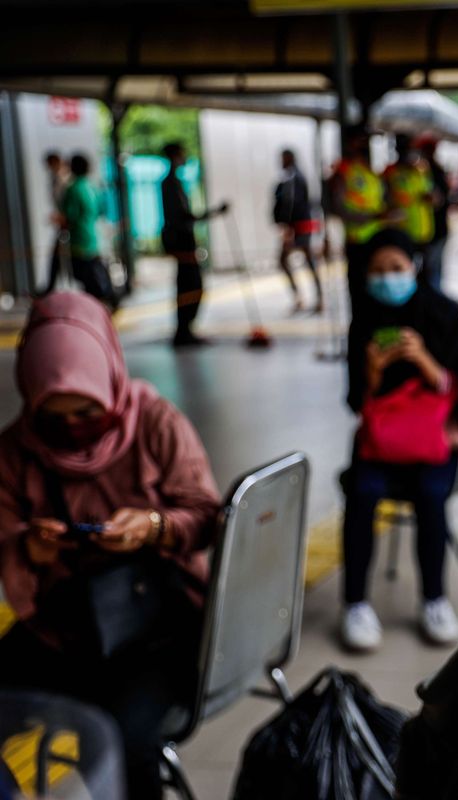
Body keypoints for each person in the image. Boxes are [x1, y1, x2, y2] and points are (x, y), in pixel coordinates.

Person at [0, 293, 222, 799]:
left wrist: (154, 527)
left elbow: (208, 517)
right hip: (64, 624)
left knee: (122, 737)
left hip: (163, 625)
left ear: (111, 382)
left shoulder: (154, 423)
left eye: (86, 411)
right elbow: (6, 542)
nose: (74, 430)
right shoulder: (15, 453)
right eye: (55, 420)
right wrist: (31, 550)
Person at [341, 229, 458, 650]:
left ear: (414, 267)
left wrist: (422, 358)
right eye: (377, 271)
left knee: (430, 493)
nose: (388, 278)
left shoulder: (445, 314)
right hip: (381, 442)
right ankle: (355, 603)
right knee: (361, 491)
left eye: (396, 268)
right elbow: (354, 402)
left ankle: (434, 599)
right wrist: (374, 371)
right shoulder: (362, 322)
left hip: (436, 439)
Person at [160, 142, 228, 347]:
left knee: (189, 285)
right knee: (190, 286)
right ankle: (184, 330)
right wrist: (213, 213)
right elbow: (183, 216)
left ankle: (185, 329)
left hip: (182, 241)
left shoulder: (173, 182)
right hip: (182, 242)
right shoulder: (170, 183)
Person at [329, 124, 388, 319]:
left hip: (376, 239)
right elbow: (338, 208)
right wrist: (371, 217)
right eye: (361, 140)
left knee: (377, 297)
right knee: (361, 299)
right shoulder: (343, 171)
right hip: (358, 241)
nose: (365, 145)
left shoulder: (368, 170)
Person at [60, 154, 116, 308]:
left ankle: (94, 310)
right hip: (94, 239)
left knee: (87, 282)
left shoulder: (72, 189)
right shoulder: (93, 187)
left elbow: (69, 216)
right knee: (96, 276)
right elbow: (101, 211)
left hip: (79, 241)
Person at [274, 148, 324, 314]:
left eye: (283, 158)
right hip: (301, 224)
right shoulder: (297, 176)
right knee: (306, 260)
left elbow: (290, 203)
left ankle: (306, 298)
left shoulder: (292, 177)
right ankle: (313, 298)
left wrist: (287, 227)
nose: (280, 162)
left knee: (291, 260)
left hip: (297, 226)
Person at [383, 133, 437, 270]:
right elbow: (384, 199)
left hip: (424, 231)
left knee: (425, 272)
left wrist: (433, 198)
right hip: (402, 232)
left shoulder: (421, 170)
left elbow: (435, 196)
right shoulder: (390, 172)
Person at [415, 134, 451, 291]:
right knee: (431, 269)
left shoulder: (429, 172)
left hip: (435, 230)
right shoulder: (425, 172)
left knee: (432, 270)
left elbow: (438, 200)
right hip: (428, 230)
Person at [38, 151, 70, 297]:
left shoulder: (65, 179)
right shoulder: (56, 178)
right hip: (63, 224)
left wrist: (61, 217)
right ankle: (50, 287)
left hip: (68, 225)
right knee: (58, 257)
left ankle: (50, 288)